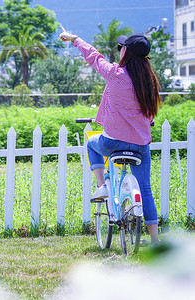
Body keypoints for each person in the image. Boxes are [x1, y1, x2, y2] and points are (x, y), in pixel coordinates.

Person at [59, 26, 161, 244]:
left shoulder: (116, 75)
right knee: (145, 190)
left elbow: (94, 57)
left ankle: (102, 185)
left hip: (112, 143)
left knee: (91, 143)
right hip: (141, 146)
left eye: (121, 47)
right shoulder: (149, 81)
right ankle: (154, 241)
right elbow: (150, 114)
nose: (119, 50)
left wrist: (75, 38)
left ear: (126, 52)